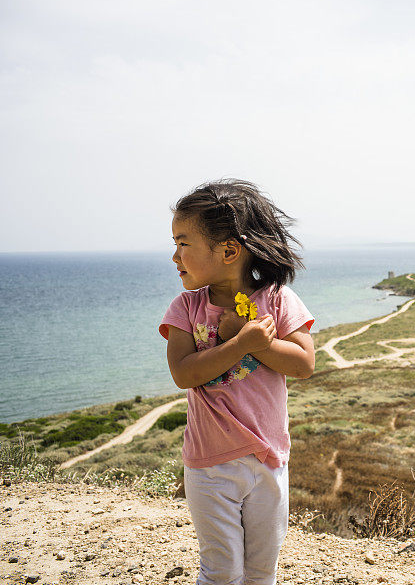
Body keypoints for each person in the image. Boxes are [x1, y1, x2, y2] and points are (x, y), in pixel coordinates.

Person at [158, 178, 316, 585]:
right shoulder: (186, 306)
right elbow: (183, 373)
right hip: (209, 464)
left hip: (269, 461)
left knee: (262, 571)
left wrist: (252, 341)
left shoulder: (278, 299)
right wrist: (241, 341)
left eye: (183, 243)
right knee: (221, 571)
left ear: (228, 249)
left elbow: (302, 364)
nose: (175, 255)